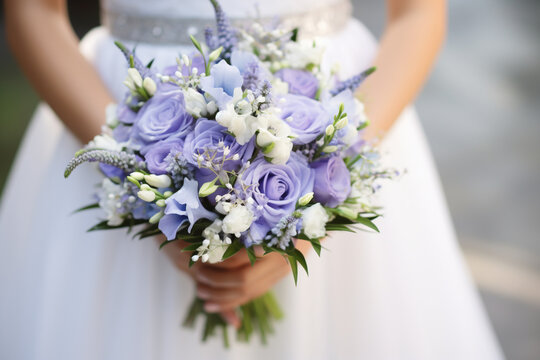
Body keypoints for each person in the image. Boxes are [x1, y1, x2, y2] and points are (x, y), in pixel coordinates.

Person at [1, 0, 505, 358]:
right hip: (113, 107)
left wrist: (318, 192)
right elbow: (31, 11)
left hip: (336, 106)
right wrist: (141, 177)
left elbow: (419, 13)